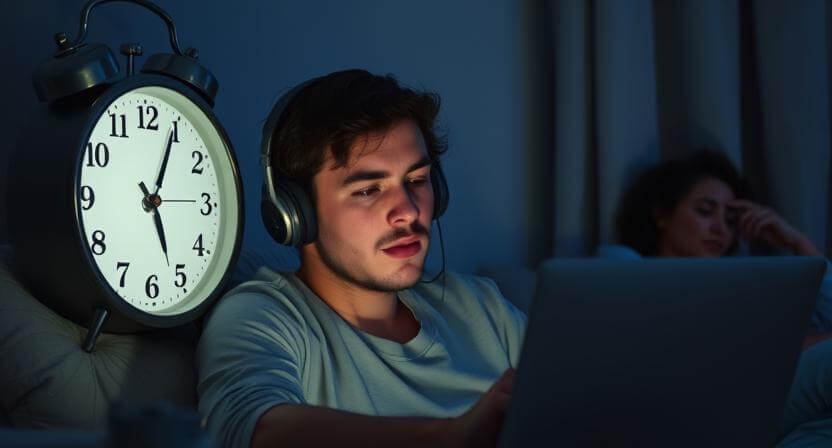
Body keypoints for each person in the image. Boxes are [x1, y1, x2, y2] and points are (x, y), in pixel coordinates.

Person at [196, 69, 527, 448]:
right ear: (295, 213)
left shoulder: (483, 307)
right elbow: (258, 427)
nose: (407, 211)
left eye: (417, 180)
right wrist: (449, 436)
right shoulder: (262, 315)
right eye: (369, 190)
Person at [606, 150, 832, 335]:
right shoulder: (623, 265)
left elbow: (827, 317)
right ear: (662, 215)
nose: (720, 228)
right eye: (705, 211)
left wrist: (796, 242)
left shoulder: (747, 284)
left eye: (730, 220)